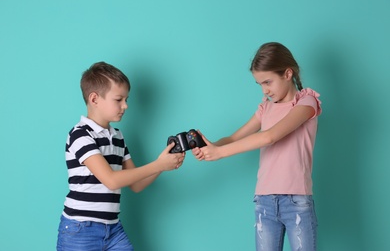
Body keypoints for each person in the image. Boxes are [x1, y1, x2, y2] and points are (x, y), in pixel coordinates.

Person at [192, 42, 321, 251]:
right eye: (260, 84)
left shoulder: (306, 103)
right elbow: (234, 138)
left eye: (268, 82)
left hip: (296, 201)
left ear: (287, 74)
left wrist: (219, 153)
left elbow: (269, 137)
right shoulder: (265, 108)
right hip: (265, 202)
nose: (265, 90)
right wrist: (210, 146)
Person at [57, 62, 185, 251]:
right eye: (119, 99)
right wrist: (158, 165)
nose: (125, 105)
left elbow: (136, 183)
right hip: (80, 229)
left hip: (113, 228)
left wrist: (165, 164)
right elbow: (111, 180)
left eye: (126, 99)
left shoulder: (117, 136)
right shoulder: (80, 135)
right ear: (94, 99)